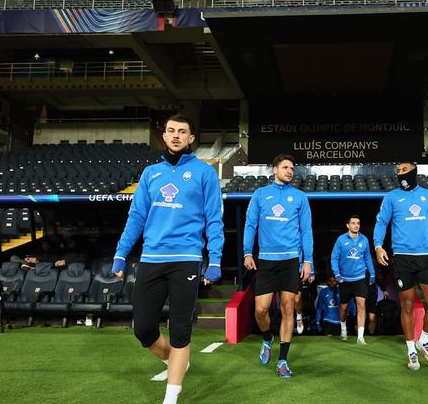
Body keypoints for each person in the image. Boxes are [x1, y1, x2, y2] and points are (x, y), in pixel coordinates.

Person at [111, 114, 224, 404]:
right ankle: (176, 361)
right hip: (151, 259)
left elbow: (214, 219)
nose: (175, 135)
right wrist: (121, 253)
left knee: (180, 329)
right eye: (171, 131)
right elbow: (136, 217)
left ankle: (170, 398)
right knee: (144, 329)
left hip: (186, 259)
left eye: (182, 131)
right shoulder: (151, 174)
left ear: (191, 138)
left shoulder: (204, 172)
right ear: (164, 136)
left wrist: (215, 259)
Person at [374, 160, 428, 371]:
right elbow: (382, 223)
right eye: (398, 170)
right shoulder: (391, 197)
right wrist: (379, 246)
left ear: (414, 171)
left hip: (426, 257)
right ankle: (411, 350)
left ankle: (423, 341)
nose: (400, 173)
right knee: (407, 305)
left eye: (404, 170)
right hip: (403, 258)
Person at [243, 153, 313, 379]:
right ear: (275, 170)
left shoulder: (300, 197)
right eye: (285, 167)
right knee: (261, 309)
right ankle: (266, 337)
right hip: (266, 259)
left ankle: (282, 360)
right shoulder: (260, 195)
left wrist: (307, 260)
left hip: (291, 260)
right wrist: (247, 252)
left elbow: (306, 231)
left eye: (292, 168)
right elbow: (250, 225)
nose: (290, 171)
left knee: (288, 308)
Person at [330, 214, 375, 345]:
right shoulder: (340, 240)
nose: (356, 225)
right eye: (354, 223)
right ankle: (343, 329)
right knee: (343, 307)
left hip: (360, 278)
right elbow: (334, 258)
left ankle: (360, 337)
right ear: (348, 225)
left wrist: (372, 274)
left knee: (361, 305)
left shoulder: (364, 240)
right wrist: (337, 274)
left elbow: (367, 258)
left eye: (358, 223)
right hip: (344, 280)